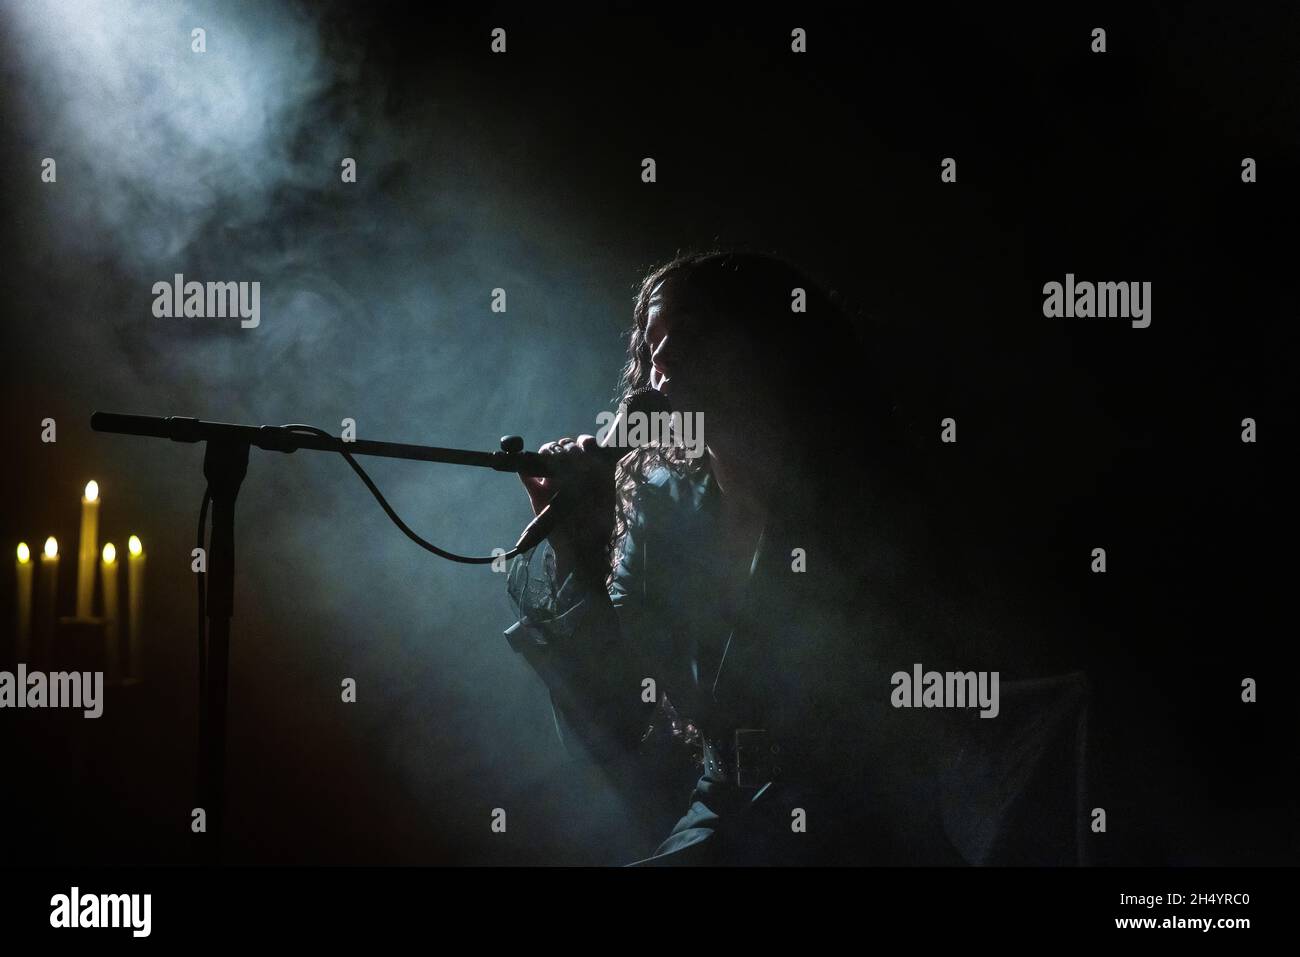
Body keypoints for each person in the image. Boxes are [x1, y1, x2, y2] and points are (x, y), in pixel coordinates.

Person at [504, 249, 966, 864]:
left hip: (877, 813)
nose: (661, 362)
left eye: (690, 335)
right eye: (652, 345)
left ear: (771, 348)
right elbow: (620, 704)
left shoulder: (871, 498)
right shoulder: (664, 504)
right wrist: (580, 538)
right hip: (726, 808)